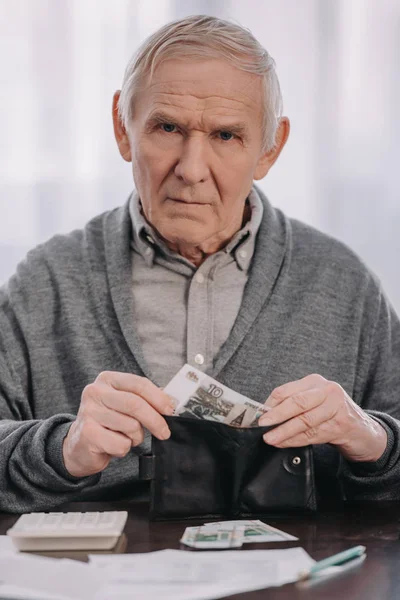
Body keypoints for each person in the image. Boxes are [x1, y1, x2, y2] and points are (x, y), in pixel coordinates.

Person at [1, 14, 399, 514]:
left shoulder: (344, 284)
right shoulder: (44, 283)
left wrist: (372, 439)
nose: (191, 169)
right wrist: (62, 450)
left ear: (270, 148)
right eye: (167, 127)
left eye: (227, 136)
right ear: (122, 128)